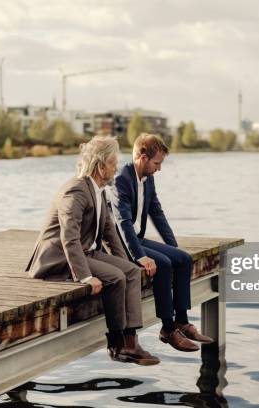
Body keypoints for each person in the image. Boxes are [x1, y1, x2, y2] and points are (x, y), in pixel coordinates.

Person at [25, 136, 159, 365]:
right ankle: (116, 345)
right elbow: (69, 237)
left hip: (85, 251)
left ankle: (131, 342)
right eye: (114, 162)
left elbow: (110, 234)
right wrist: (85, 276)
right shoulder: (76, 191)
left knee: (131, 272)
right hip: (59, 258)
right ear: (101, 166)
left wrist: (126, 262)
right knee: (116, 278)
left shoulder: (99, 191)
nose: (117, 166)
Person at [109, 133, 214, 352]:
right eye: (157, 163)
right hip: (120, 243)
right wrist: (141, 257)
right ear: (143, 157)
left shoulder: (148, 178)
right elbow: (123, 222)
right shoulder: (121, 179)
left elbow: (156, 211)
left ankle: (182, 322)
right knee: (164, 264)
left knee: (182, 258)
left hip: (137, 237)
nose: (159, 168)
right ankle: (167, 328)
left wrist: (172, 244)